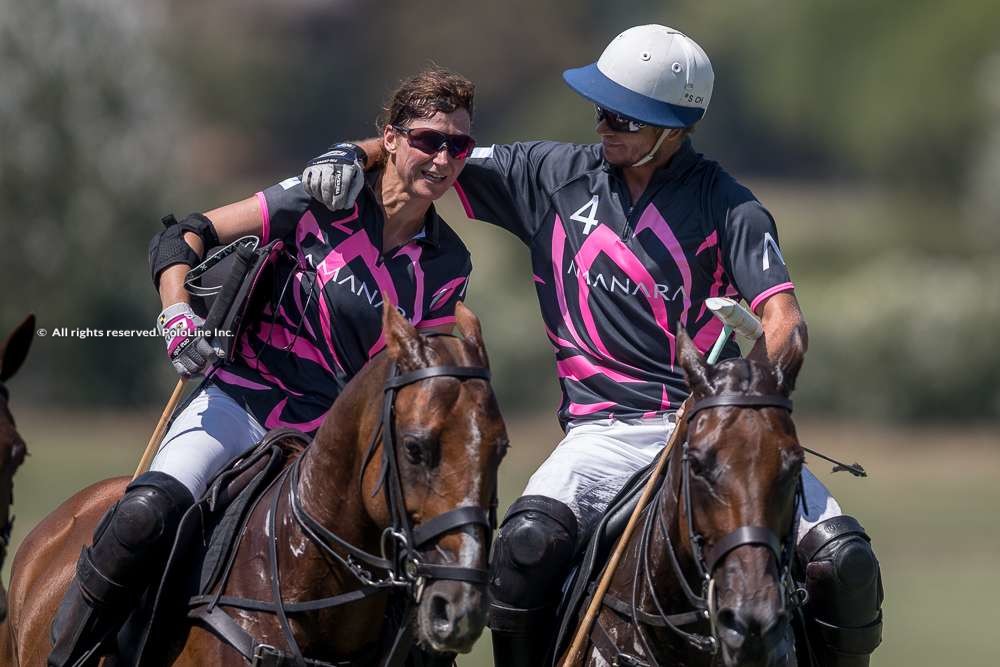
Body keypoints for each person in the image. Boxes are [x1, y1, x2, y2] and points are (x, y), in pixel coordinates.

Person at [302, 25, 883, 667]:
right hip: (599, 431)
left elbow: (785, 322)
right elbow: (433, 148)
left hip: (708, 428)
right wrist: (351, 156)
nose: (602, 123)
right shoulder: (550, 175)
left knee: (844, 564)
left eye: (622, 117)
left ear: (672, 130)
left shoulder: (730, 207)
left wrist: (740, 405)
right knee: (523, 549)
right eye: (600, 108)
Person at [49, 67, 479, 666]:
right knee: (145, 515)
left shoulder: (448, 262)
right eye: (428, 140)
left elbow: (421, 381)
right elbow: (184, 236)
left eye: (458, 146)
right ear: (391, 138)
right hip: (242, 404)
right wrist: (177, 312)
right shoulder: (318, 202)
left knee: (427, 585)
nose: (443, 158)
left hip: (338, 444)